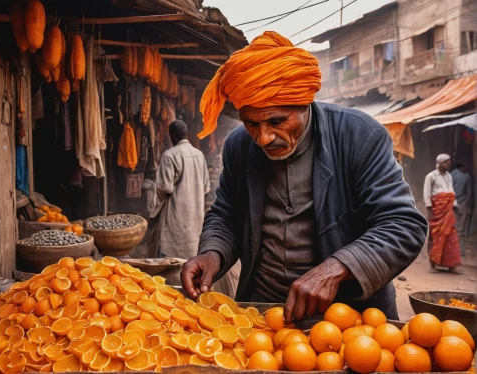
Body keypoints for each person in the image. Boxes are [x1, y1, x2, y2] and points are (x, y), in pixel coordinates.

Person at [181, 31, 427, 322]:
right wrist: (213, 252)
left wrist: (335, 268)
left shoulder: (360, 136)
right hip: (261, 315)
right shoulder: (238, 146)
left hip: (347, 320)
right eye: (250, 123)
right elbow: (226, 215)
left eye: (276, 121)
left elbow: (403, 225)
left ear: (304, 103)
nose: (263, 138)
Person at [132, 120, 210, 260]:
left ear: (172, 136)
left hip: (175, 215)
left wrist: (154, 212)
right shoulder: (199, 155)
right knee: (192, 254)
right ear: (186, 134)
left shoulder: (170, 155)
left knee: (170, 255)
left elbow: (165, 188)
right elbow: (205, 188)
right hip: (195, 217)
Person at [423, 154, 463, 274]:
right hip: (437, 210)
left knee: (451, 236)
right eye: (447, 162)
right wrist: (429, 210)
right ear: (440, 163)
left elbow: (451, 192)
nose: (449, 164)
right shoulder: (431, 176)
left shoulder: (449, 176)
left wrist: (455, 206)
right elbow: (427, 193)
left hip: (448, 210)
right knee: (435, 236)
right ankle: (433, 264)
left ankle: (452, 265)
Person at [451, 163, 471, 252]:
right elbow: (469, 192)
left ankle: (453, 246)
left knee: (452, 225)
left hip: (451, 202)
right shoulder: (466, 177)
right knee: (461, 226)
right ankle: (460, 248)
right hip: (462, 203)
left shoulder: (451, 174)